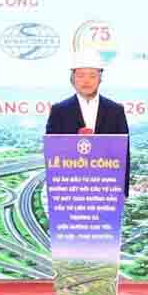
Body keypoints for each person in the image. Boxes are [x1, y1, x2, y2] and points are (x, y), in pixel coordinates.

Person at [44, 54, 130, 193]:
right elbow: (52, 154)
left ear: (100, 78)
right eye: (81, 75)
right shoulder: (59, 111)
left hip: (106, 189)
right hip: (70, 190)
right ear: (72, 79)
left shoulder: (116, 111)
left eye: (92, 75)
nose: (86, 81)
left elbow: (123, 154)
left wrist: (122, 192)